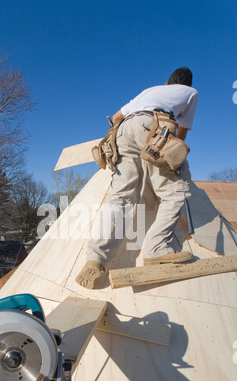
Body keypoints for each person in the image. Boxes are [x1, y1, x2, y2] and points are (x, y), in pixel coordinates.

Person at [76, 67, 198, 289]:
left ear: (167, 83)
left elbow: (115, 117)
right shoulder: (190, 93)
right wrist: (173, 153)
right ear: (186, 84)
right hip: (153, 127)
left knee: (121, 199)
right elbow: (182, 132)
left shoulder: (149, 91)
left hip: (122, 133)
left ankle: (95, 259)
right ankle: (156, 248)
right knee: (175, 192)